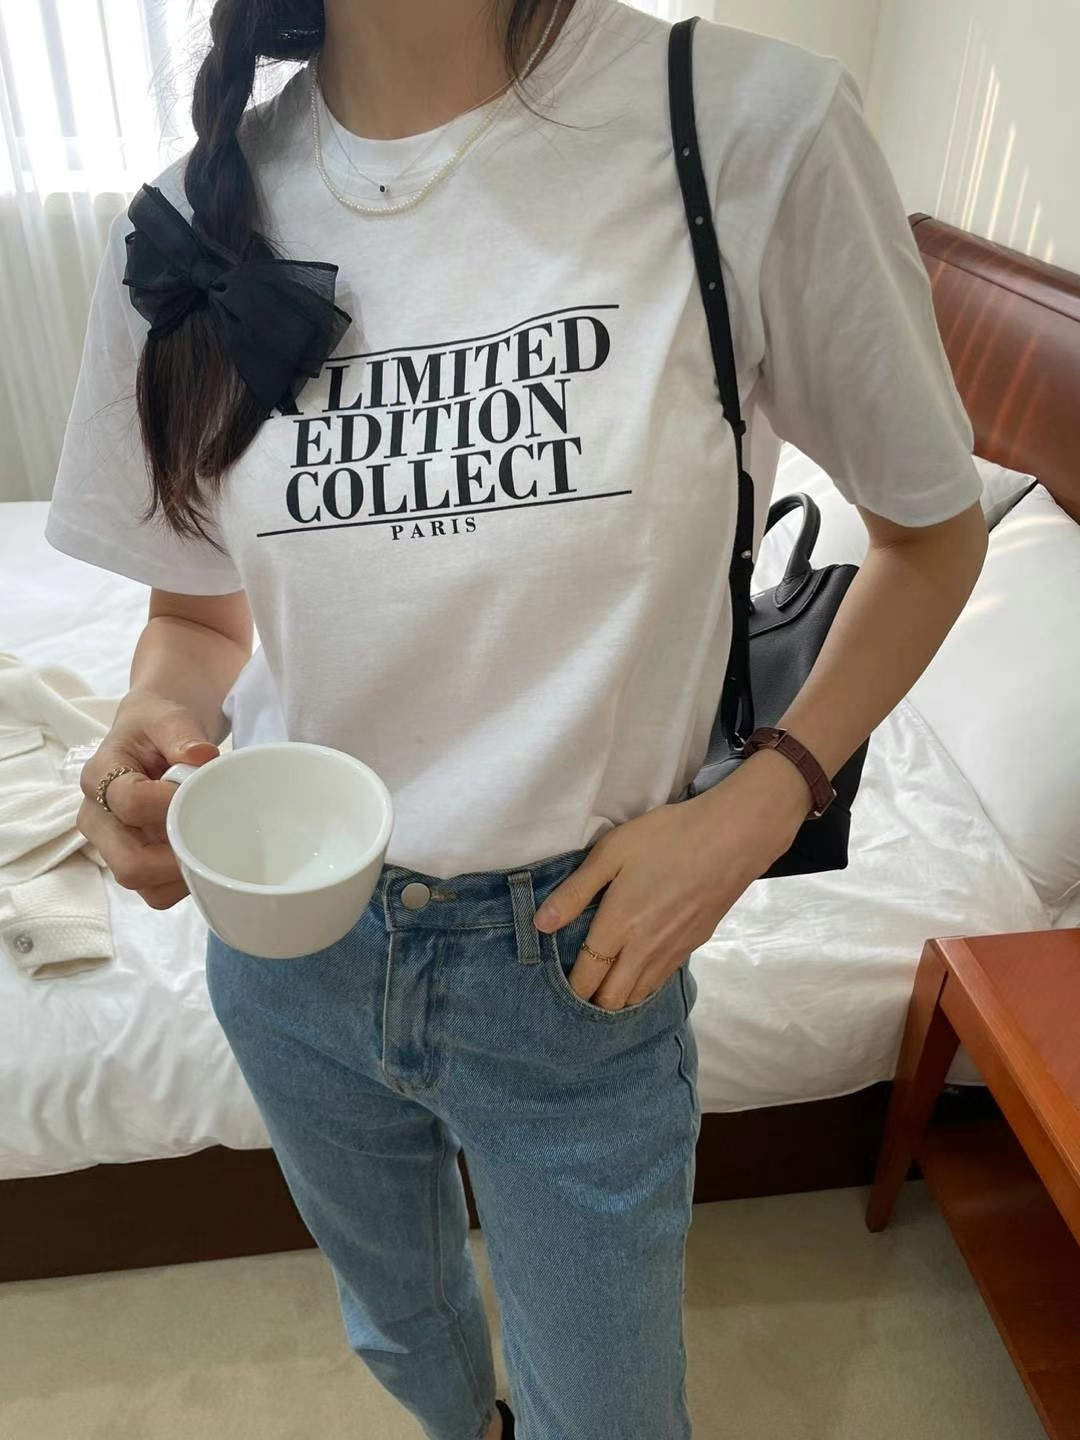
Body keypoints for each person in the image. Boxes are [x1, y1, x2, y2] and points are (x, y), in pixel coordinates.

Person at [46, 1, 988, 1435]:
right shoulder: (194, 216)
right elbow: (198, 618)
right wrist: (154, 728)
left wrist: (758, 804)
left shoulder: (746, 129)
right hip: (291, 949)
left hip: (575, 961)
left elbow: (931, 531)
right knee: (400, 1325)